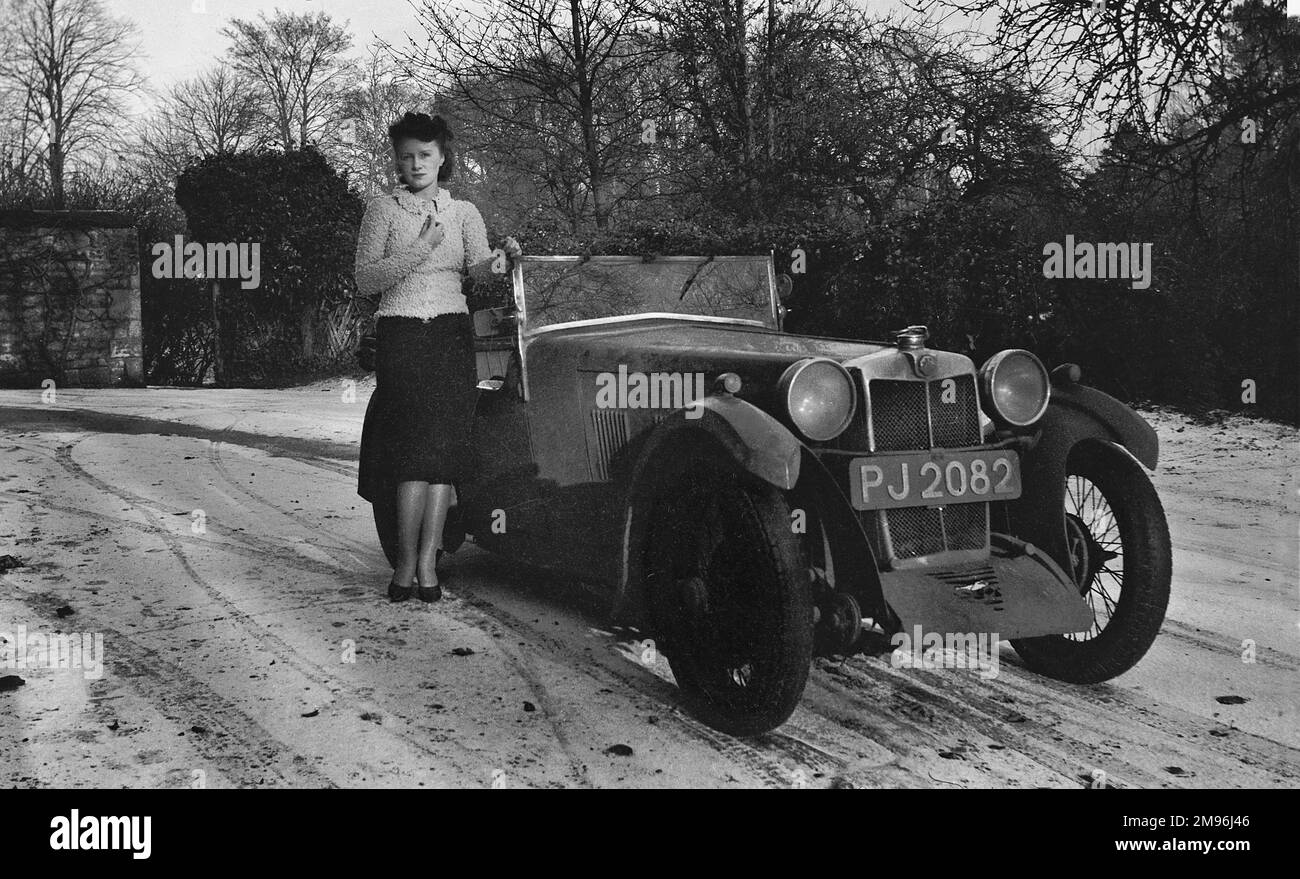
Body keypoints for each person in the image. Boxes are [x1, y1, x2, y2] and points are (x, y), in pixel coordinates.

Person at [355, 111, 521, 603]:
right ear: (397, 162)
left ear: (442, 157)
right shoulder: (381, 211)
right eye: (406, 156)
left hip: (450, 337)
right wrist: (422, 247)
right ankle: (404, 565)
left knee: (441, 459)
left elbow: (478, 270)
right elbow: (367, 280)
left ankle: (430, 566)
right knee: (411, 457)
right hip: (402, 339)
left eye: (425, 154)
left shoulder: (464, 212)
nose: (416, 163)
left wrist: (502, 258)